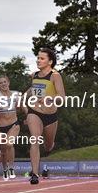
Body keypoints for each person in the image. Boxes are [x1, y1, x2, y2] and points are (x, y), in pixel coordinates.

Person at [25, 48, 65, 185]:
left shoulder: (55, 76)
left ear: (50, 61)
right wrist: (23, 98)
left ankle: (50, 144)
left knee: (48, 146)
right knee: (34, 139)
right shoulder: (34, 75)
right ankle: (35, 174)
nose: (38, 60)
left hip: (50, 115)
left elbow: (62, 98)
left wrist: (50, 98)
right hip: (34, 112)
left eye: (42, 58)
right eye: (38, 58)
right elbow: (32, 89)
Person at [0, 75, 23, 181]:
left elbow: (22, 109)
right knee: (3, 152)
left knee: (9, 144)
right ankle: (5, 169)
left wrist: (25, 112)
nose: (3, 84)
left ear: (8, 83)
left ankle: (11, 167)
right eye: (1, 83)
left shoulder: (16, 94)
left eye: (5, 82)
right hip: (0, 127)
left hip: (13, 124)